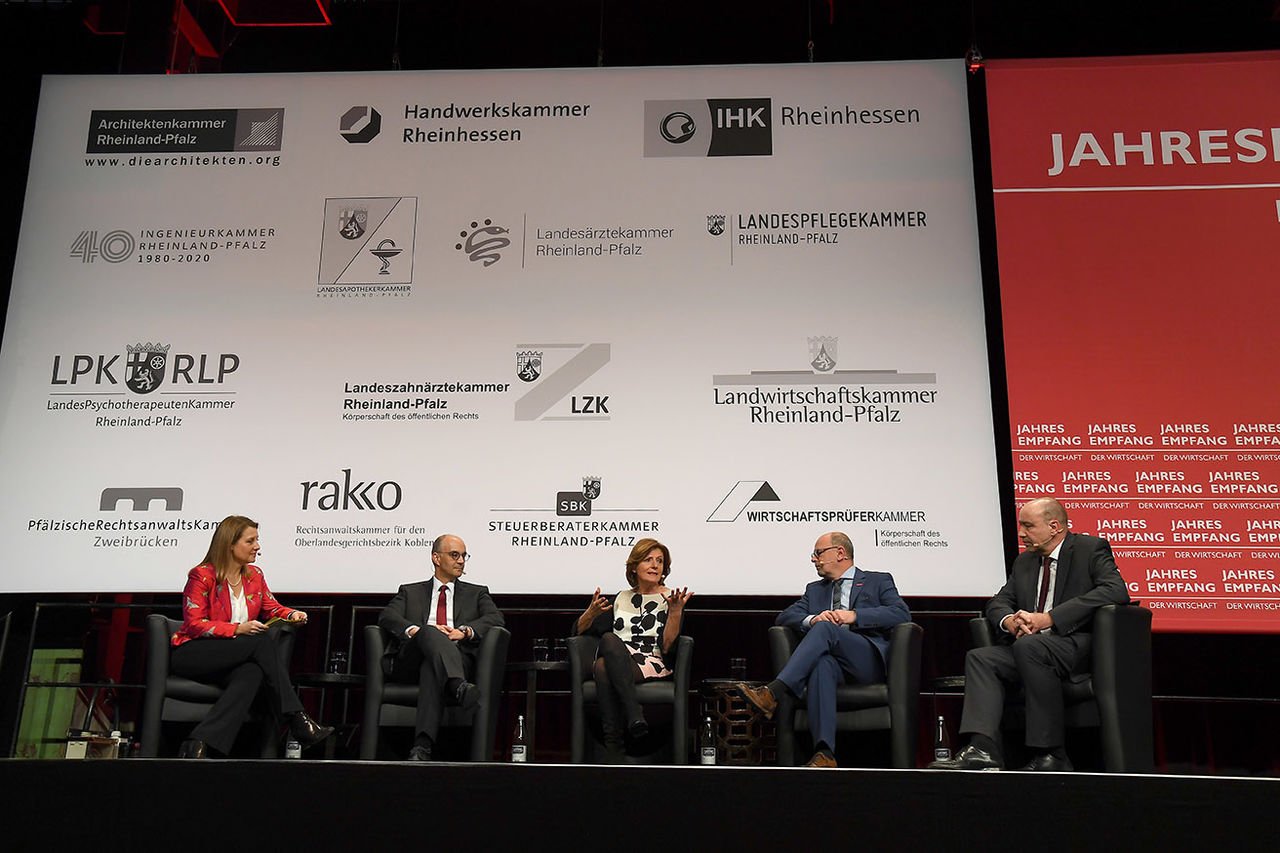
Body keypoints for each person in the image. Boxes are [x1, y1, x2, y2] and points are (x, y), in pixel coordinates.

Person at [929, 497, 1130, 772]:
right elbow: (998, 602)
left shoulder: (1090, 549)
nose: (1022, 533)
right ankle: (984, 749)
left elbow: (1115, 590)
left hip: (1075, 645)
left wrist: (1050, 618)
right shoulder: (1025, 561)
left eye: (1028, 526)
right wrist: (1009, 621)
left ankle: (1052, 753)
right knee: (981, 658)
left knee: (1029, 647)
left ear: (1054, 526)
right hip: (1032, 647)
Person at [736, 532, 910, 768]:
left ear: (840, 553)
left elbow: (901, 613)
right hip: (835, 666)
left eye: (818, 553)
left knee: (827, 630)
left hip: (866, 662)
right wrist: (812, 619)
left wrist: (855, 615)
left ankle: (775, 692)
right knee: (821, 665)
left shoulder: (877, 581)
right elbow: (784, 617)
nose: (813, 559)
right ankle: (825, 752)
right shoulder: (815, 590)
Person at [169, 515, 333, 759]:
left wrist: (293, 614)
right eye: (251, 541)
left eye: (257, 540)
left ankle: (197, 743)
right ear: (230, 545)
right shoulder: (202, 575)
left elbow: (272, 607)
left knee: (253, 672)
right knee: (259, 640)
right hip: (194, 653)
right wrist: (237, 629)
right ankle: (296, 718)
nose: (258, 546)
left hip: (234, 655)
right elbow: (194, 625)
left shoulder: (254, 575)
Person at [378, 534, 505, 761]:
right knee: (430, 630)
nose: (461, 561)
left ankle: (422, 747)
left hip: (455, 658)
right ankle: (457, 686)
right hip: (410, 660)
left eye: (464, 556)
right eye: (454, 555)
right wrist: (419, 633)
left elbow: (495, 619)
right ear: (436, 558)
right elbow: (388, 617)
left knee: (432, 666)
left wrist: (463, 631)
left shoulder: (477, 593)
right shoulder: (410, 591)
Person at [573, 538, 692, 761]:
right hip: (620, 659)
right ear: (634, 567)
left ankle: (616, 738)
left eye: (659, 561)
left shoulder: (670, 598)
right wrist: (590, 613)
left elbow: (668, 646)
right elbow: (578, 632)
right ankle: (632, 719)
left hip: (652, 662)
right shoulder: (621, 598)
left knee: (604, 654)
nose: (655, 565)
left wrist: (675, 612)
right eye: (648, 560)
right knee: (605, 654)